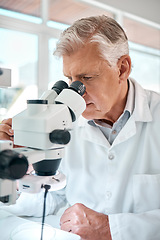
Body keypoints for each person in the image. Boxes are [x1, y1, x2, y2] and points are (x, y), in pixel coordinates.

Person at [0, 15, 160, 240]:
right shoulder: (64, 120)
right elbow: (52, 198)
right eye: (70, 79)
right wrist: (12, 175)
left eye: (87, 77)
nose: (77, 92)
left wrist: (112, 229)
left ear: (122, 69)